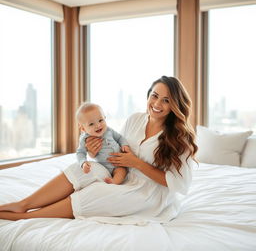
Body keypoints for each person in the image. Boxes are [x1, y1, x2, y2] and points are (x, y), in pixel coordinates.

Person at [0, 76, 198, 222]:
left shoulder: (180, 138)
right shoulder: (135, 119)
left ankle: (25, 218)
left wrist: (137, 163)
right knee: (83, 168)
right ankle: (23, 205)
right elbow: (115, 149)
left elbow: (181, 185)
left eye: (166, 100)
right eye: (154, 96)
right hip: (122, 176)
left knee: (95, 194)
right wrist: (95, 152)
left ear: (175, 105)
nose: (157, 104)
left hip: (147, 194)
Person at [76, 102, 129, 184]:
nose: (98, 125)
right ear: (83, 128)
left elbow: (119, 138)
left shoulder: (108, 130)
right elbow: (80, 152)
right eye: (91, 124)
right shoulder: (84, 139)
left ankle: (114, 182)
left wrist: (124, 145)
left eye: (100, 120)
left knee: (122, 171)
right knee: (93, 174)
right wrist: (83, 163)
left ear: (105, 118)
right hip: (103, 166)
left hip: (118, 165)